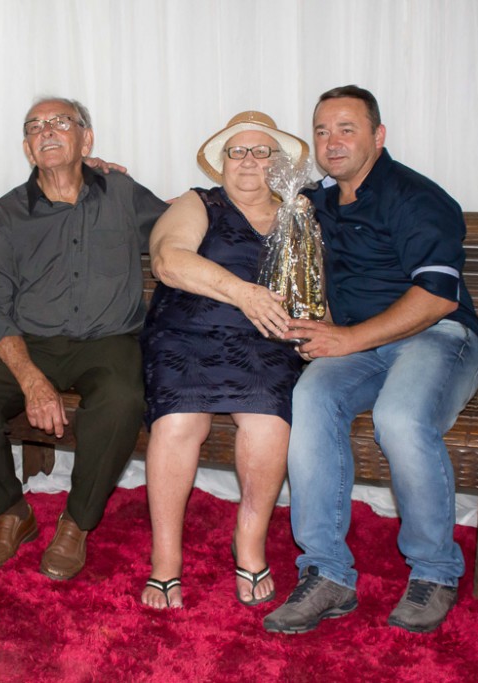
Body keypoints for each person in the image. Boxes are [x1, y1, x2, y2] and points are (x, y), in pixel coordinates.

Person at [263, 86, 478, 634]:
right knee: (310, 397)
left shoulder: (416, 197)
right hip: (363, 347)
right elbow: (249, 204)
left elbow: (438, 296)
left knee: (400, 417)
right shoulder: (315, 201)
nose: (332, 142)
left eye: (347, 129)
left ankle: (434, 570)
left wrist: (347, 339)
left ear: (378, 136)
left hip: (438, 336)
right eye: (322, 131)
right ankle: (327, 572)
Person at [0, 97, 169, 581]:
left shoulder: (122, 194)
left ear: (86, 139)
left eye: (61, 122)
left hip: (108, 340)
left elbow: (178, 223)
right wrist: (30, 378)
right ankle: (11, 512)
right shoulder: (6, 216)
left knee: (123, 400)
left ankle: (76, 521)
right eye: (35, 126)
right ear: (27, 148)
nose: (46, 130)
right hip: (31, 342)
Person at [139, 112, 307, 609]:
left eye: (261, 151)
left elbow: (314, 289)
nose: (249, 160)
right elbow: (168, 259)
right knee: (178, 423)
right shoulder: (199, 202)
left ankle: (249, 544)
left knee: (268, 422)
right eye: (238, 151)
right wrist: (244, 293)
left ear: (278, 163)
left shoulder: (299, 215)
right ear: (223, 163)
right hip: (186, 333)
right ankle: (165, 559)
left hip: (264, 339)